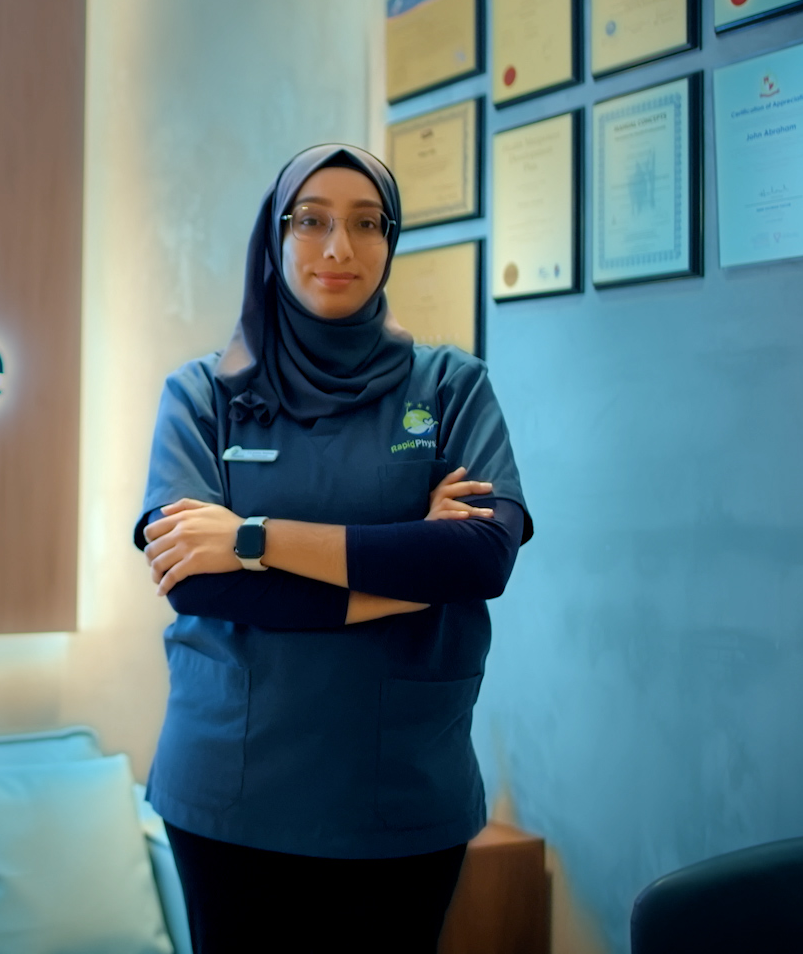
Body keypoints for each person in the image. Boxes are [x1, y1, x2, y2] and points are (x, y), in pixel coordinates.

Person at [135, 144, 533, 952]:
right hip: (233, 794)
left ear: (392, 240)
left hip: (401, 791)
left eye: (366, 223)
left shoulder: (450, 387)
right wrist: (403, 574)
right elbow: (195, 581)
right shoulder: (205, 395)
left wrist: (251, 538)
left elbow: (480, 558)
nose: (338, 247)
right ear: (275, 237)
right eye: (311, 221)